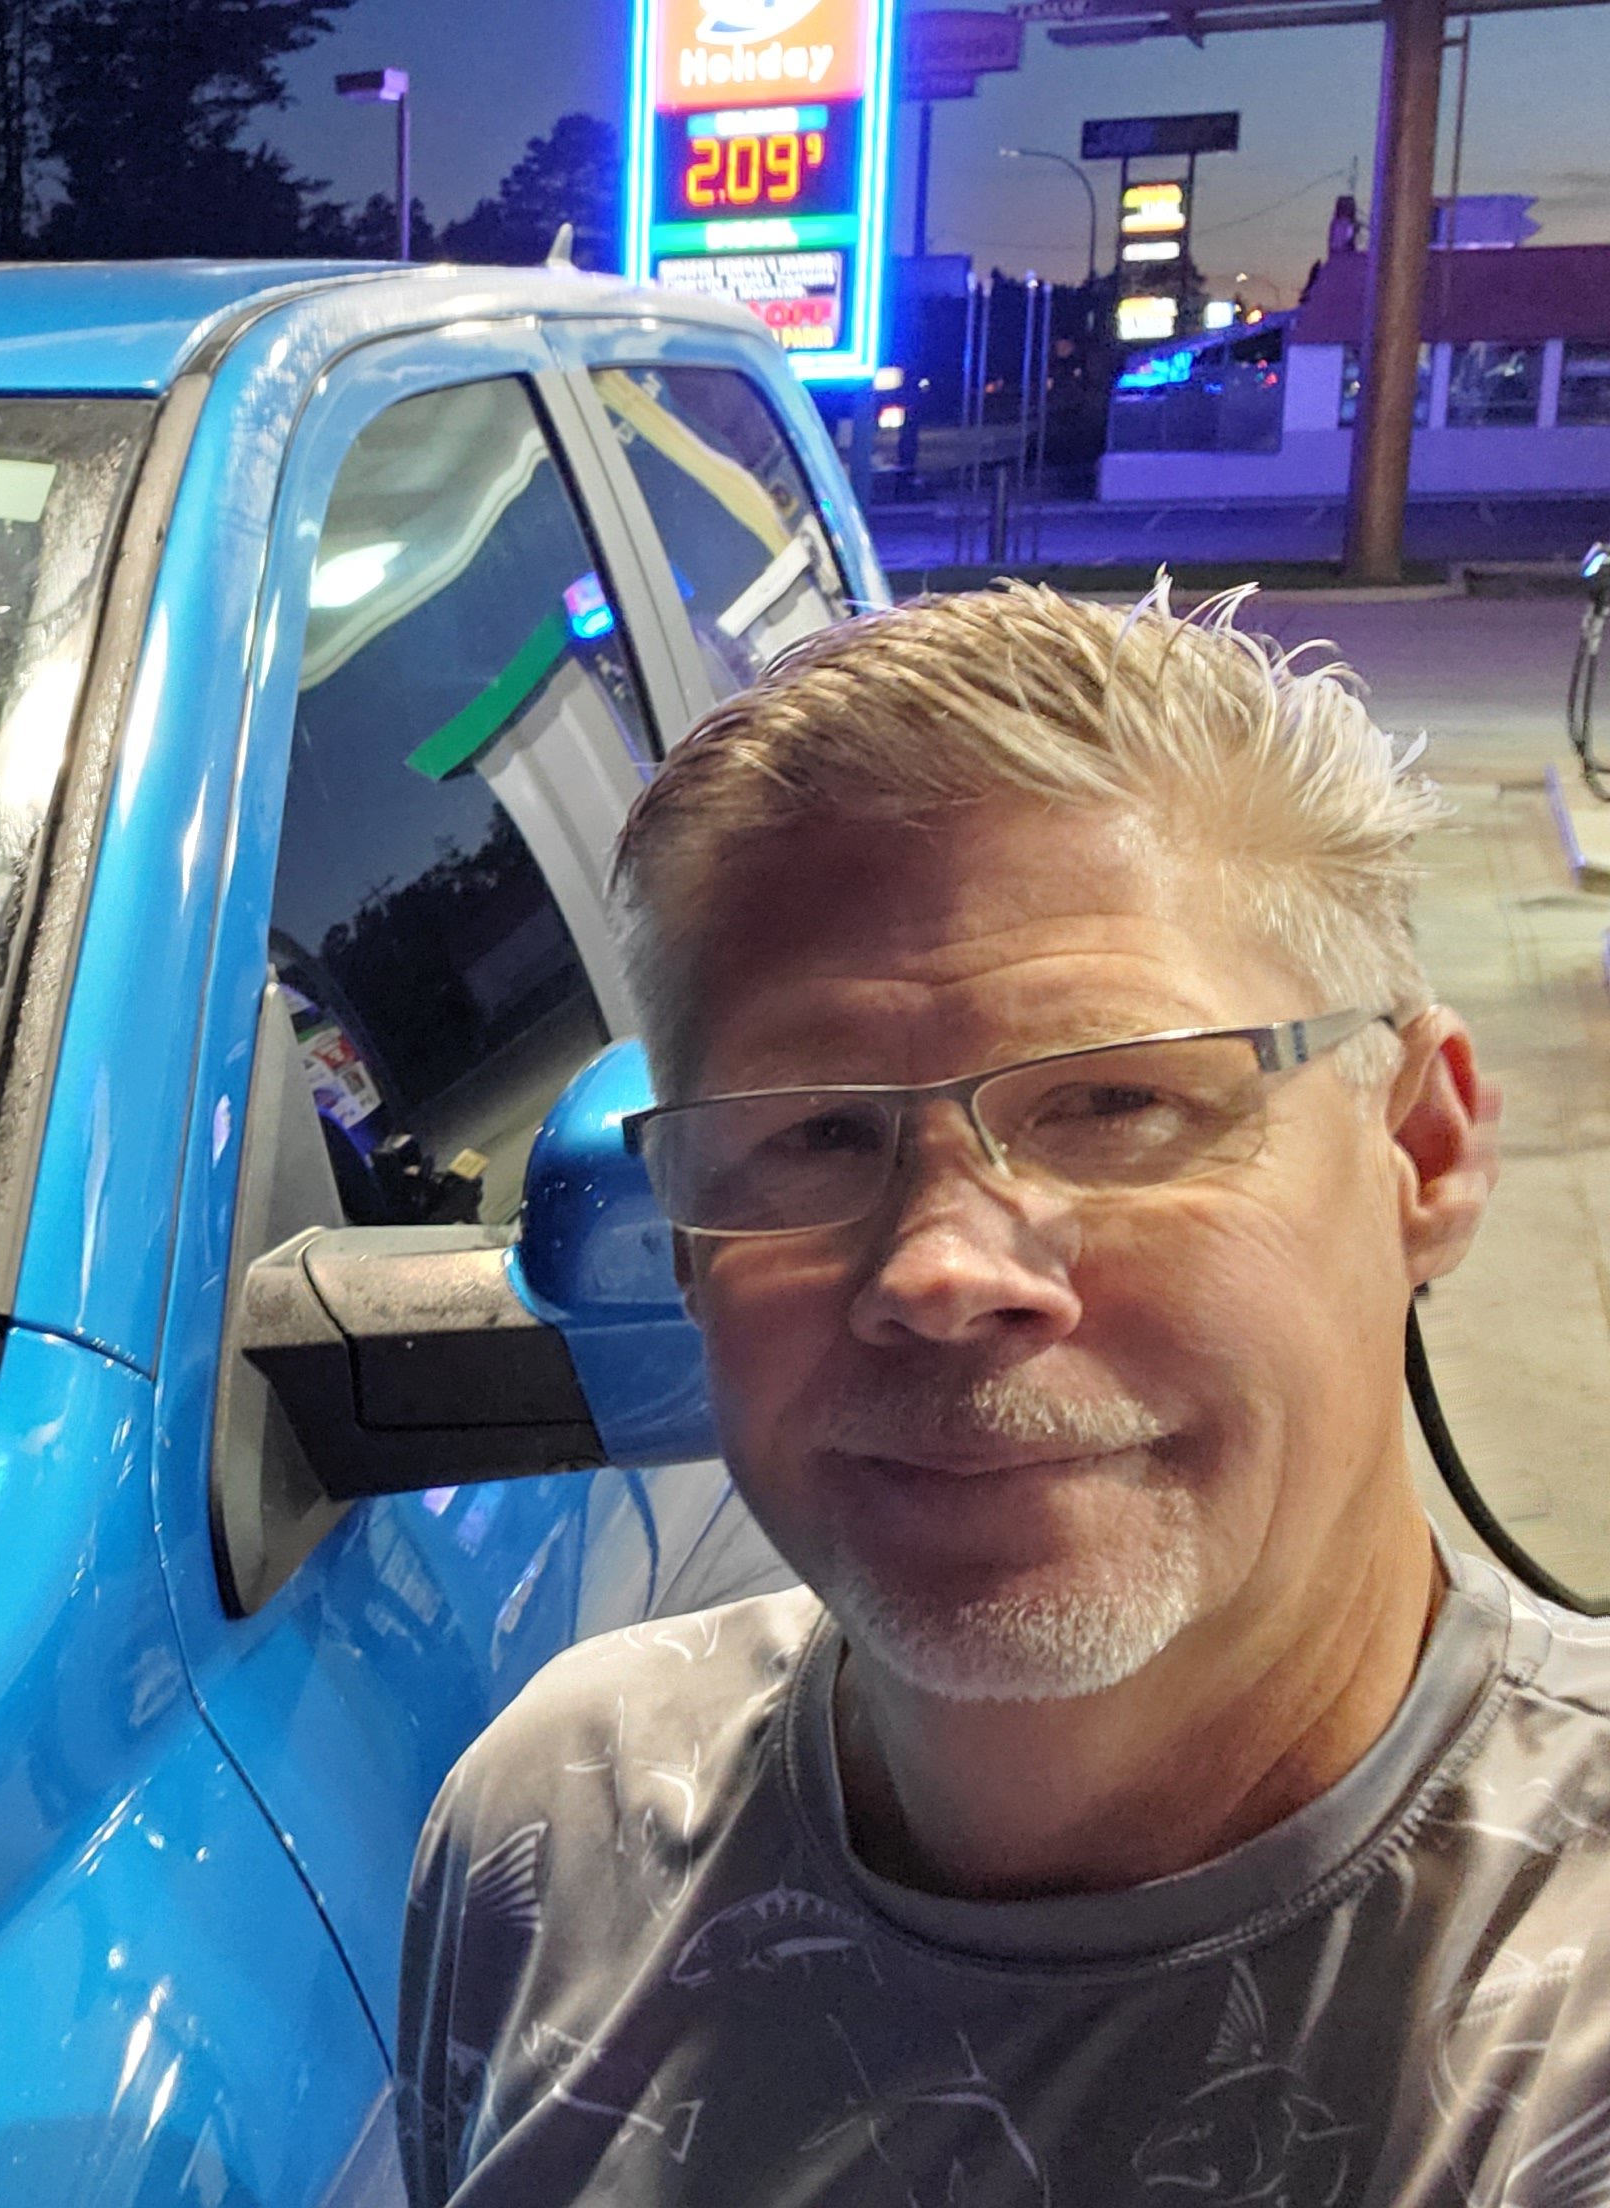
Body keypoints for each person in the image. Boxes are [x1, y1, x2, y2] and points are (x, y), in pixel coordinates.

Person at [399, 582, 1610, 2205]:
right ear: (686, 1245)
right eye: (815, 1134)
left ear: (1421, 1152)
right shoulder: (559, 1827)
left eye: (1116, 1104)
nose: (941, 1269)